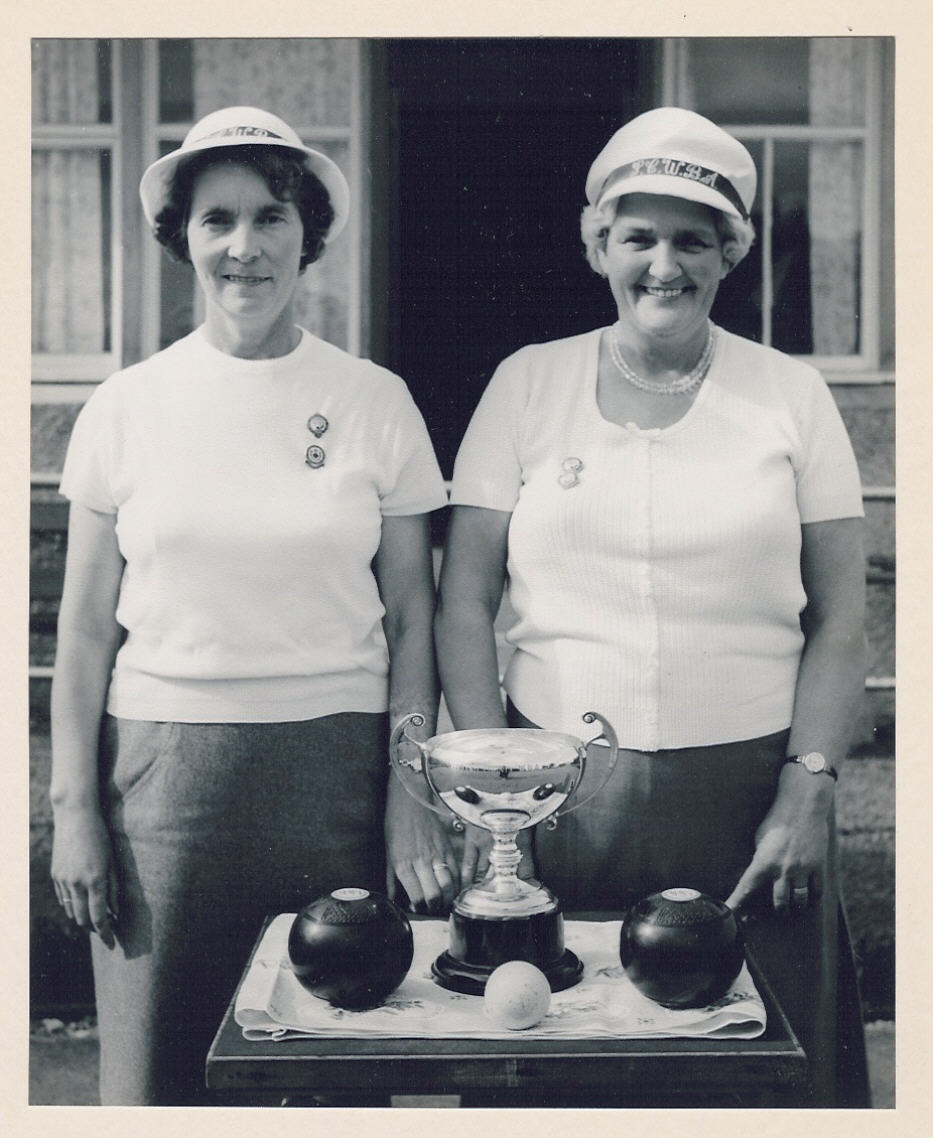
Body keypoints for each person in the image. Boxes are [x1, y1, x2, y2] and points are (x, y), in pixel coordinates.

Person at [435, 106, 870, 1107]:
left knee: (759, 1075)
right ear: (598, 246)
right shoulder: (527, 384)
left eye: (693, 240)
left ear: (730, 254)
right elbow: (465, 597)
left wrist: (809, 785)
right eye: (638, 237)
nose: (663, 266)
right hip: (561, 810)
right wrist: (493, 788)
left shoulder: (791, 394)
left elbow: (842, 618)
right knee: (559, 1069)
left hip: (752, 807)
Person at [49, 105, 457, 1105]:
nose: (245, 246)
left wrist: (410, 796)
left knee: (332, 1073)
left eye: (271, 216)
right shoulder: (126, 406)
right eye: (217, 219)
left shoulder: (375, 401)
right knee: (161, 1081)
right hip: (163, 791)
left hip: (337, 783)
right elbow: (86, 632)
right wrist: (74, 809)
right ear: (181, 238)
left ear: (307, 234)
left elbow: (414, 619)